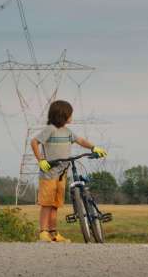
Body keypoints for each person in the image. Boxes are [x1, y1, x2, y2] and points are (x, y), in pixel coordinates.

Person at [31, 100, 107, 243]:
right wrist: (40, 160)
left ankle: (54, 233)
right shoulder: (50, 129)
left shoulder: (67, 132)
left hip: (62, 174)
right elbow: (34, 142)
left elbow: (81, 140)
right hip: (49, 173)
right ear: (62, 115)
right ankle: (43, 232)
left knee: (56, 205)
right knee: (46, 204)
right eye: (70, 114)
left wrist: (93, 148)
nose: (72, 116)